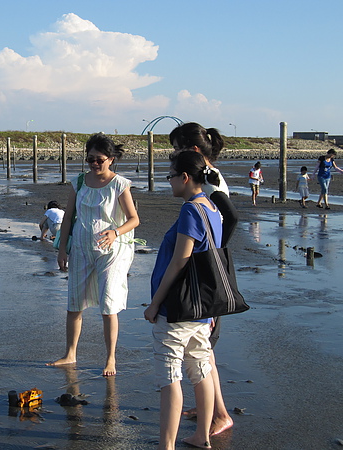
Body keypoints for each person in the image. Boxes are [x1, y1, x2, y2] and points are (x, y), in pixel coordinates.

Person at [144, 151, 223, 449]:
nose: (169, 182)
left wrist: (155, 304)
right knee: (200, 369)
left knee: (170, 374)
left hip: (177, 308)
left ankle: (167, 444)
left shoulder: (191, 210)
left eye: (170, 176)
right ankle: (202, 435)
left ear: (185, 177)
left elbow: (180, 261)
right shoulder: (213, 210)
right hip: (202, 309)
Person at [48, 133, 140, 377]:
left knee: (108, 305)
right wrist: (61, 249)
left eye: (100, 160)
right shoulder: (78, 182)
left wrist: (115, 232)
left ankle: (110, 359)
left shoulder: (120, 184)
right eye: (90, 160)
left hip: (112, 252)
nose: (95, 164)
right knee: (74, 303)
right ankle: (70, 353)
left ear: (110, 159)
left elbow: (134, 219)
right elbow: (68, 217)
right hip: (80, 248)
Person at [169, 122, 235, 437]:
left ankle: (220, 414)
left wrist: (213, 256)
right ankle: (206, 405)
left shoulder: (208, 182)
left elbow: (229, 217)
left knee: (204, 349)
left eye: (176, 148)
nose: (173, 154)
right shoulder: (209, 176)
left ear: (192, 150)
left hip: (207, 279)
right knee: (202, 348)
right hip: (208, 275)